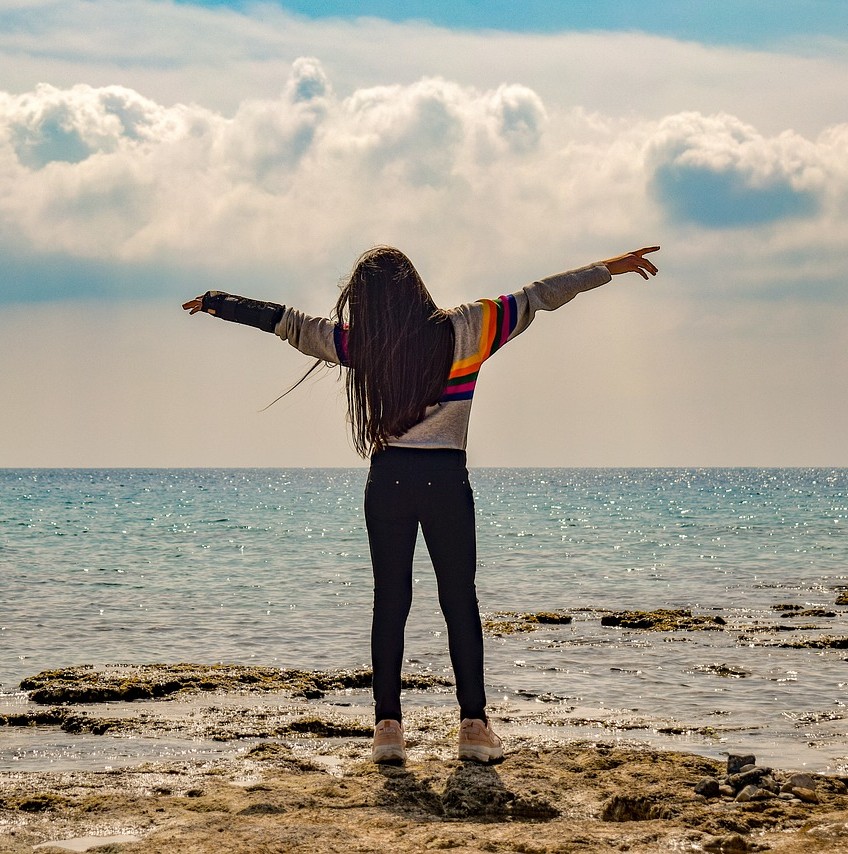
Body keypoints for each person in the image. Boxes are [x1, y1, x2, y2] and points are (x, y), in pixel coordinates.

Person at [183, 244, 659, 764]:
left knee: (391, 602)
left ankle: (387, 730)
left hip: (388, 480)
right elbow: (539, 296)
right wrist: (605, 270)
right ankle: (474, 729)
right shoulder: (469, 329)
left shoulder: (360, 346)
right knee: (459, 602)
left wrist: (219, 302)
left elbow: (288, 323)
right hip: (445, 480)